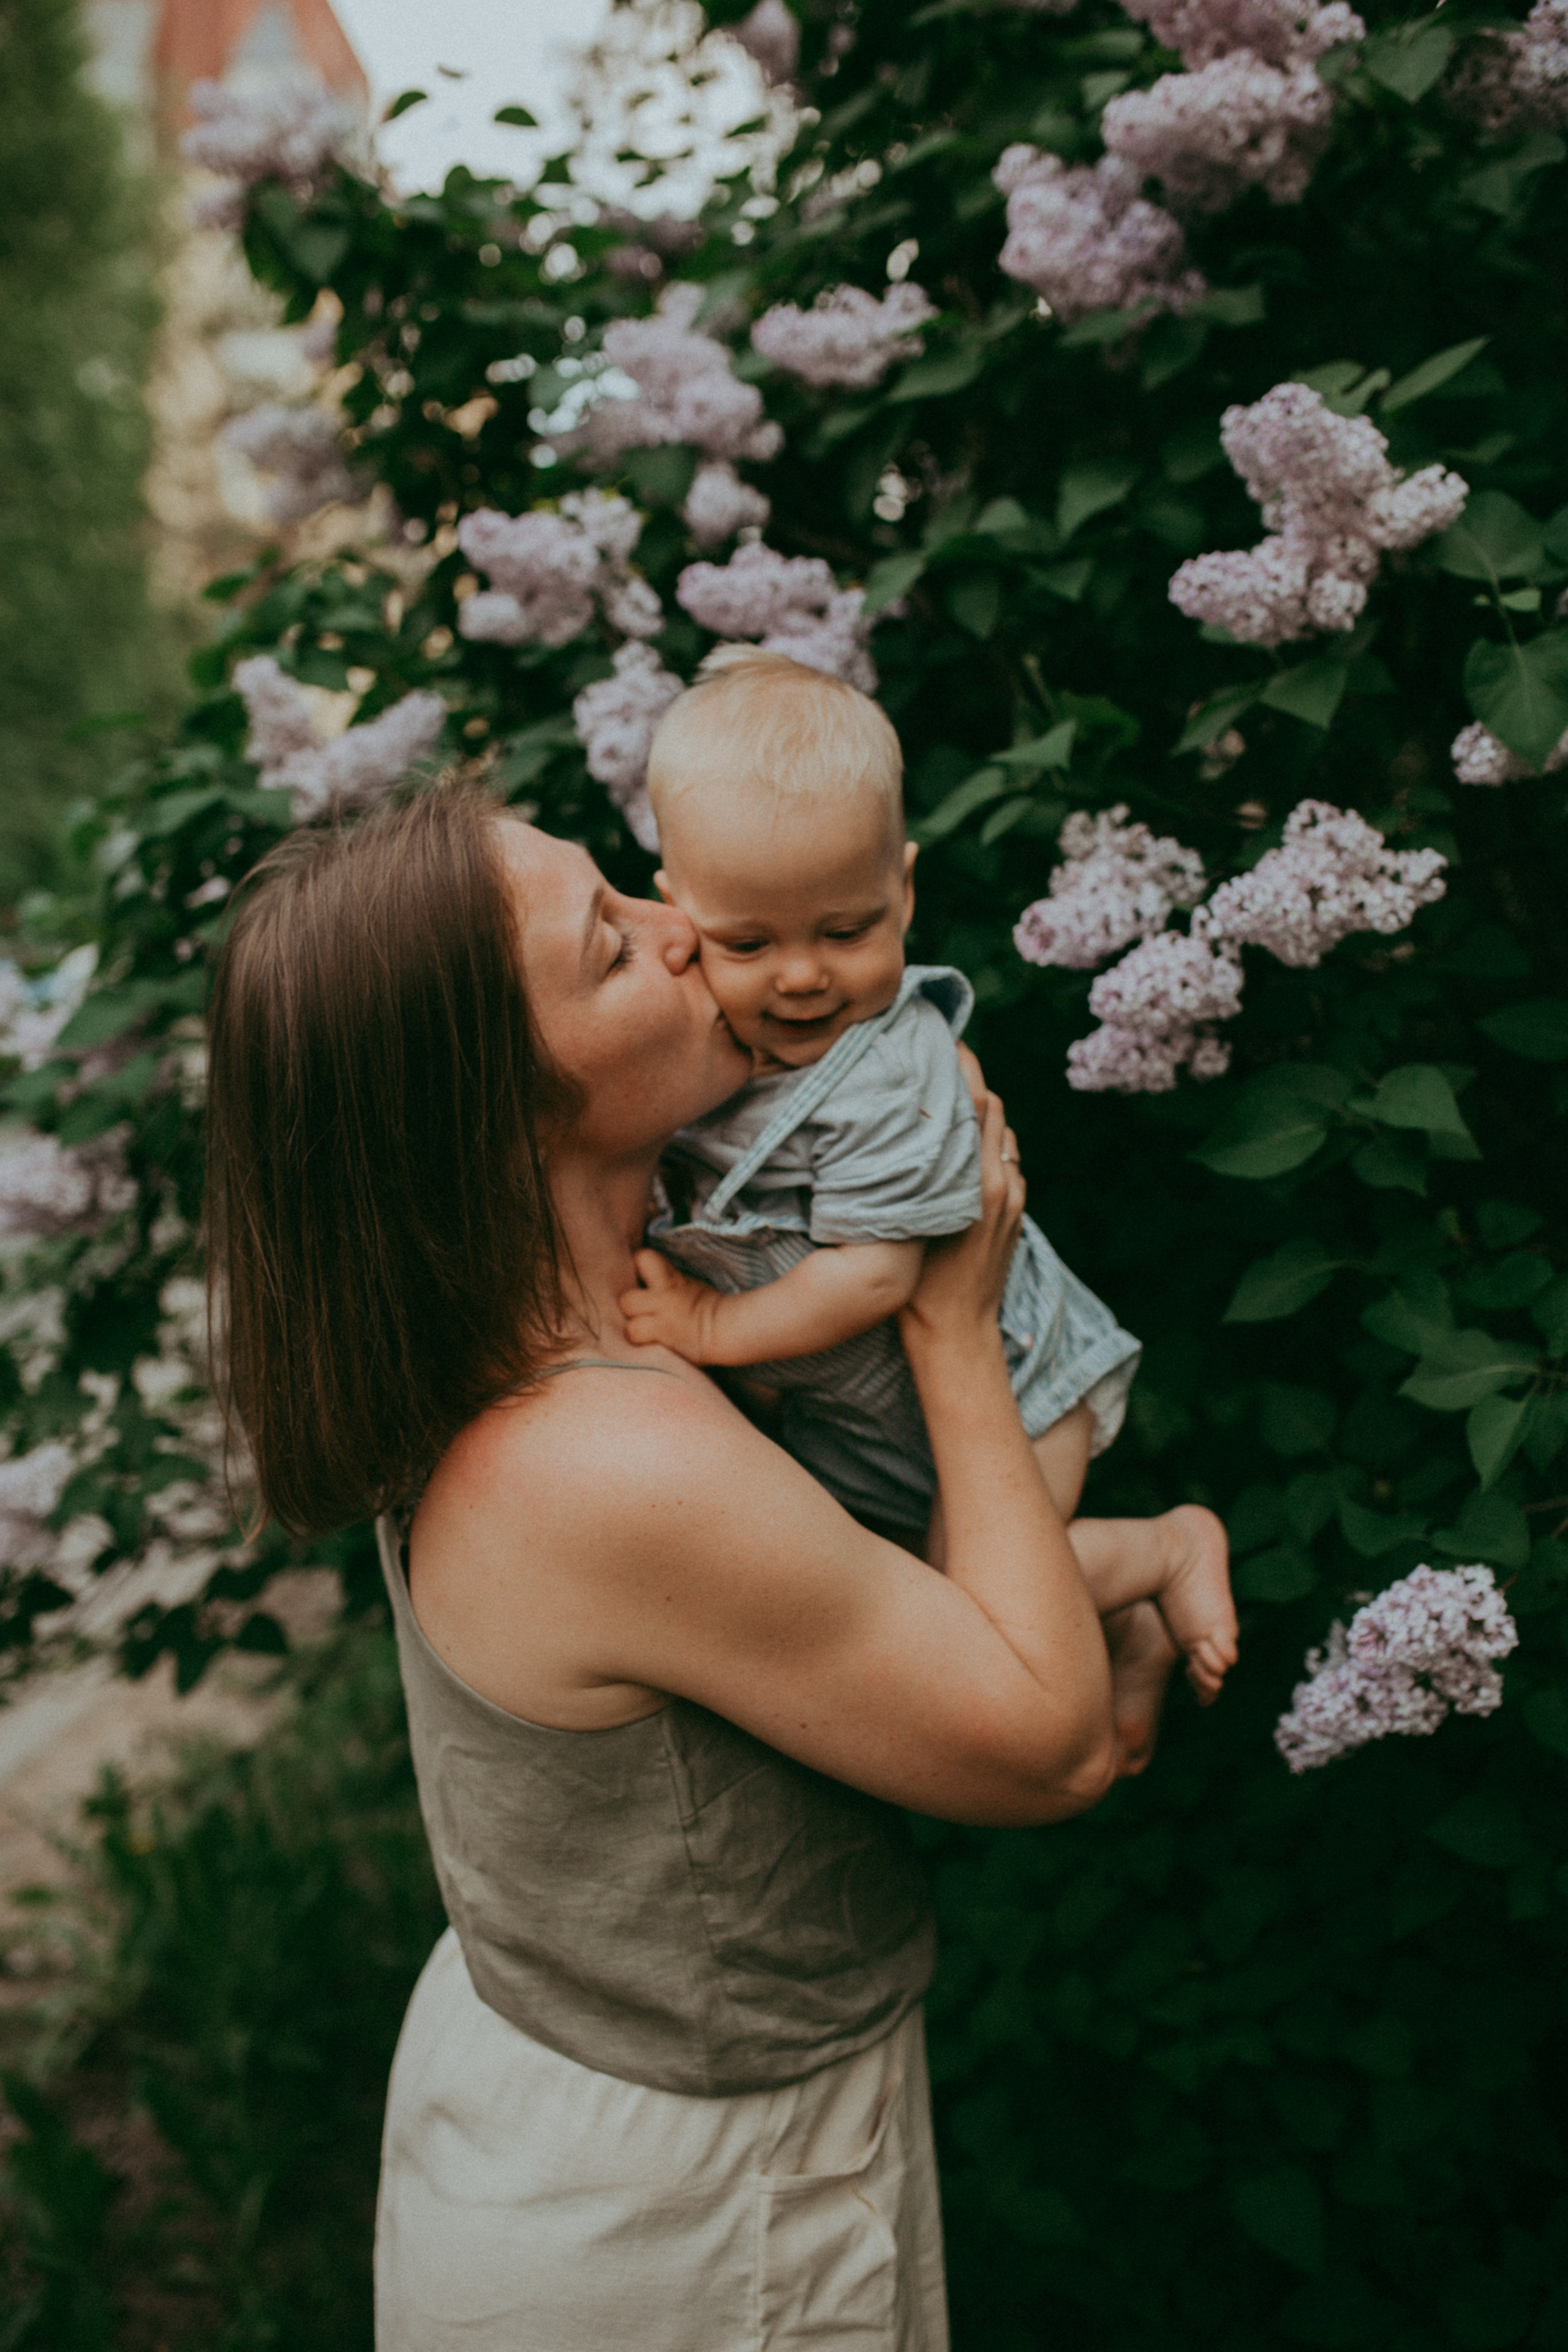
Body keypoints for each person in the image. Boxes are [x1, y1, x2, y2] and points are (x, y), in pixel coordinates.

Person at [204, 781, 1125, 2352]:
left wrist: (1119, 1558)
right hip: (694, 2216)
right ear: (497, 1108)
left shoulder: (530, 1348)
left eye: (622, 892)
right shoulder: (597, 1462)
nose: (682, 927)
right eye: (612, 950)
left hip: (566, 2100)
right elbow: (1048, 1744)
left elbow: (808, 1624)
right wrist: (955, 1327)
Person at [620, 647, 1237, 1755]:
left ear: (903, 890)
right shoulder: (704, 1047)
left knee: (974, 1602)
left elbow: (877, 1272)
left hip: (1018, 1380)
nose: (802, 977)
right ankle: (1128, 1629)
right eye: (747, 943)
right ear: (678, 916)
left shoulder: (889, 1071)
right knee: (911, 1602)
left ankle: (1167, 1550)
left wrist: (710, 1327)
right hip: (874, 1424)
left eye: (847, 932)